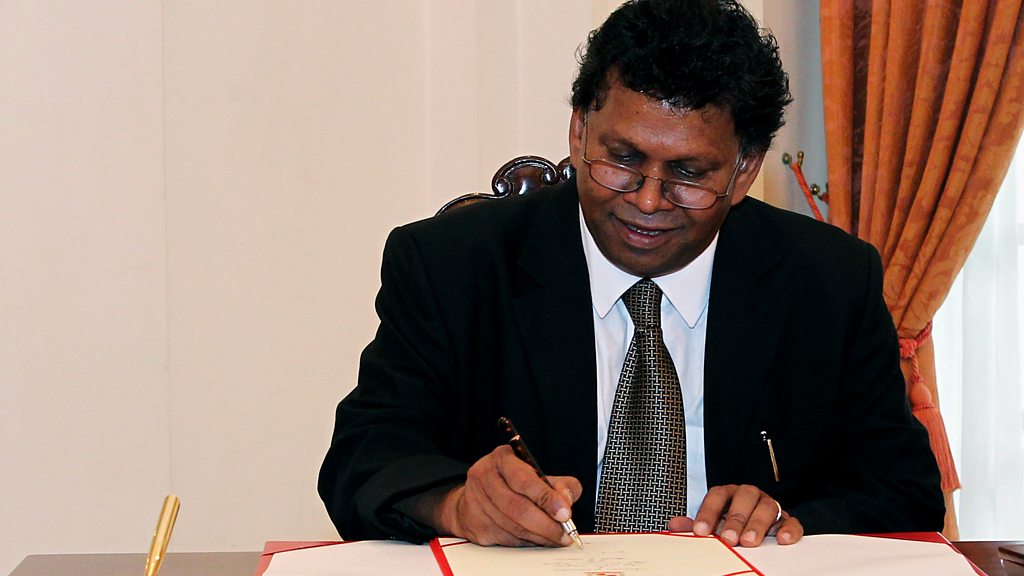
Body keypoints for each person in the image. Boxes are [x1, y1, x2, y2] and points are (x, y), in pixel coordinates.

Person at [318, 0, 944, 550]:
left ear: (745, 171)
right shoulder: (453, 266)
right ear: (579, 131)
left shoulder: (828, 280)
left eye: (689, 174)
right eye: (622, 159)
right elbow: (363, 457)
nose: (647, 200)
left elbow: (904, 490)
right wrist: (456, 504)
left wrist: (786, 521)